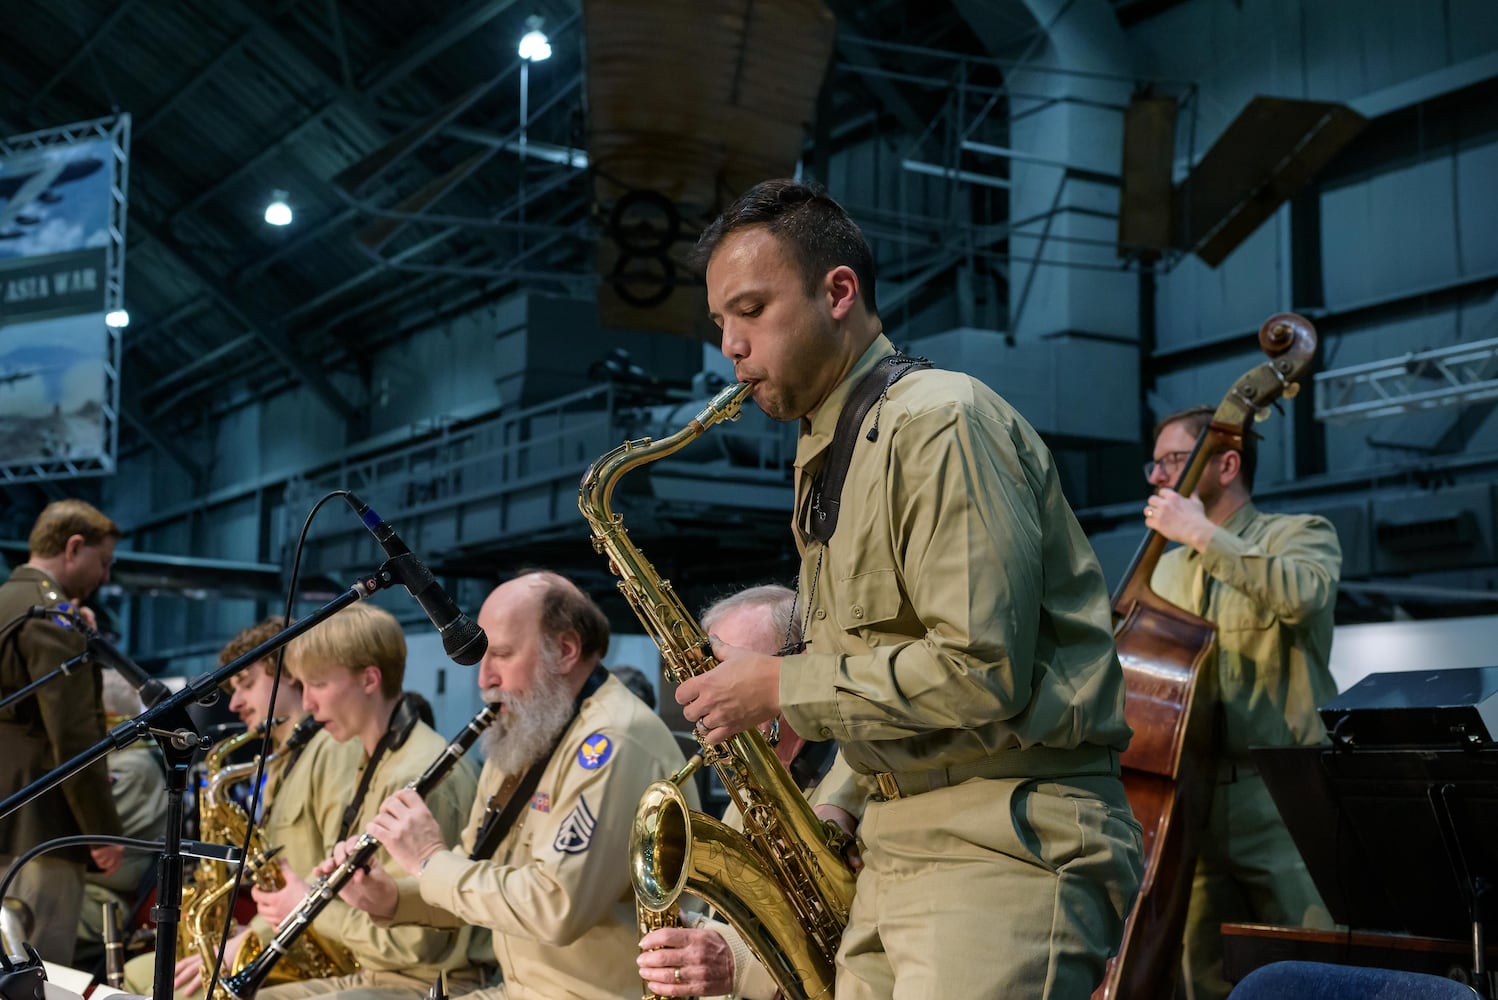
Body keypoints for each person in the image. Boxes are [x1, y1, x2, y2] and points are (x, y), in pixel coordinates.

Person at [674, 178, 1144, 999]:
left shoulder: (938, 421)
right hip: (895, 840)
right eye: (720, 322)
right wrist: (840, 800)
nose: (731, 347)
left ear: (838, 293)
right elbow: (879, 664)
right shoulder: (834, 450)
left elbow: (981, 670)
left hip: (999, 841)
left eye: (750, 309)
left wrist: (779, 685)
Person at [319, 570, 699, 1000]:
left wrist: (428, 859)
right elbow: (475, 874)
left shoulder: (613, 741)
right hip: (518, 989)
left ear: (565, 650)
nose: (484, 679)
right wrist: (390, 898)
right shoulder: (530, 729)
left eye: (500, 655)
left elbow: (556, 908)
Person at [1143, 405, 1340, 1000]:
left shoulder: (1301, 534)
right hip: (1191, 798)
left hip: (1281, 794)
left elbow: (1304, 595)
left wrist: (1202, 535)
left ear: (1226, 465)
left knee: (1314, 962)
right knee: (1203, 974)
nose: (1158, 476)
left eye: (1173, 460)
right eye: (1155, 463)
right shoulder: (1163, 570)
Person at [637, 583, 866, 1000]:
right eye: (706, 676)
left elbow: (858, 939)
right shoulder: (748, 783)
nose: (711, 696)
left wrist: (738, 963)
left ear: (799, 664)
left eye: (730, 670)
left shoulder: (862, 781)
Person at [0, 499, 124, 965]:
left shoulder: (7, 603)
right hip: (37, 829)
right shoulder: (50, 617)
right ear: (73, 548)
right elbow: (74, 735)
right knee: (35, 976)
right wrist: (101, 830)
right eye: (103, 561)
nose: (105, 577)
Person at [75, 669, 166, 968]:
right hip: (87, 889)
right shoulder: (117, 762)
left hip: (107, 899)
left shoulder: (132, 766)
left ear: (108, 717)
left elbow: (80, 836)